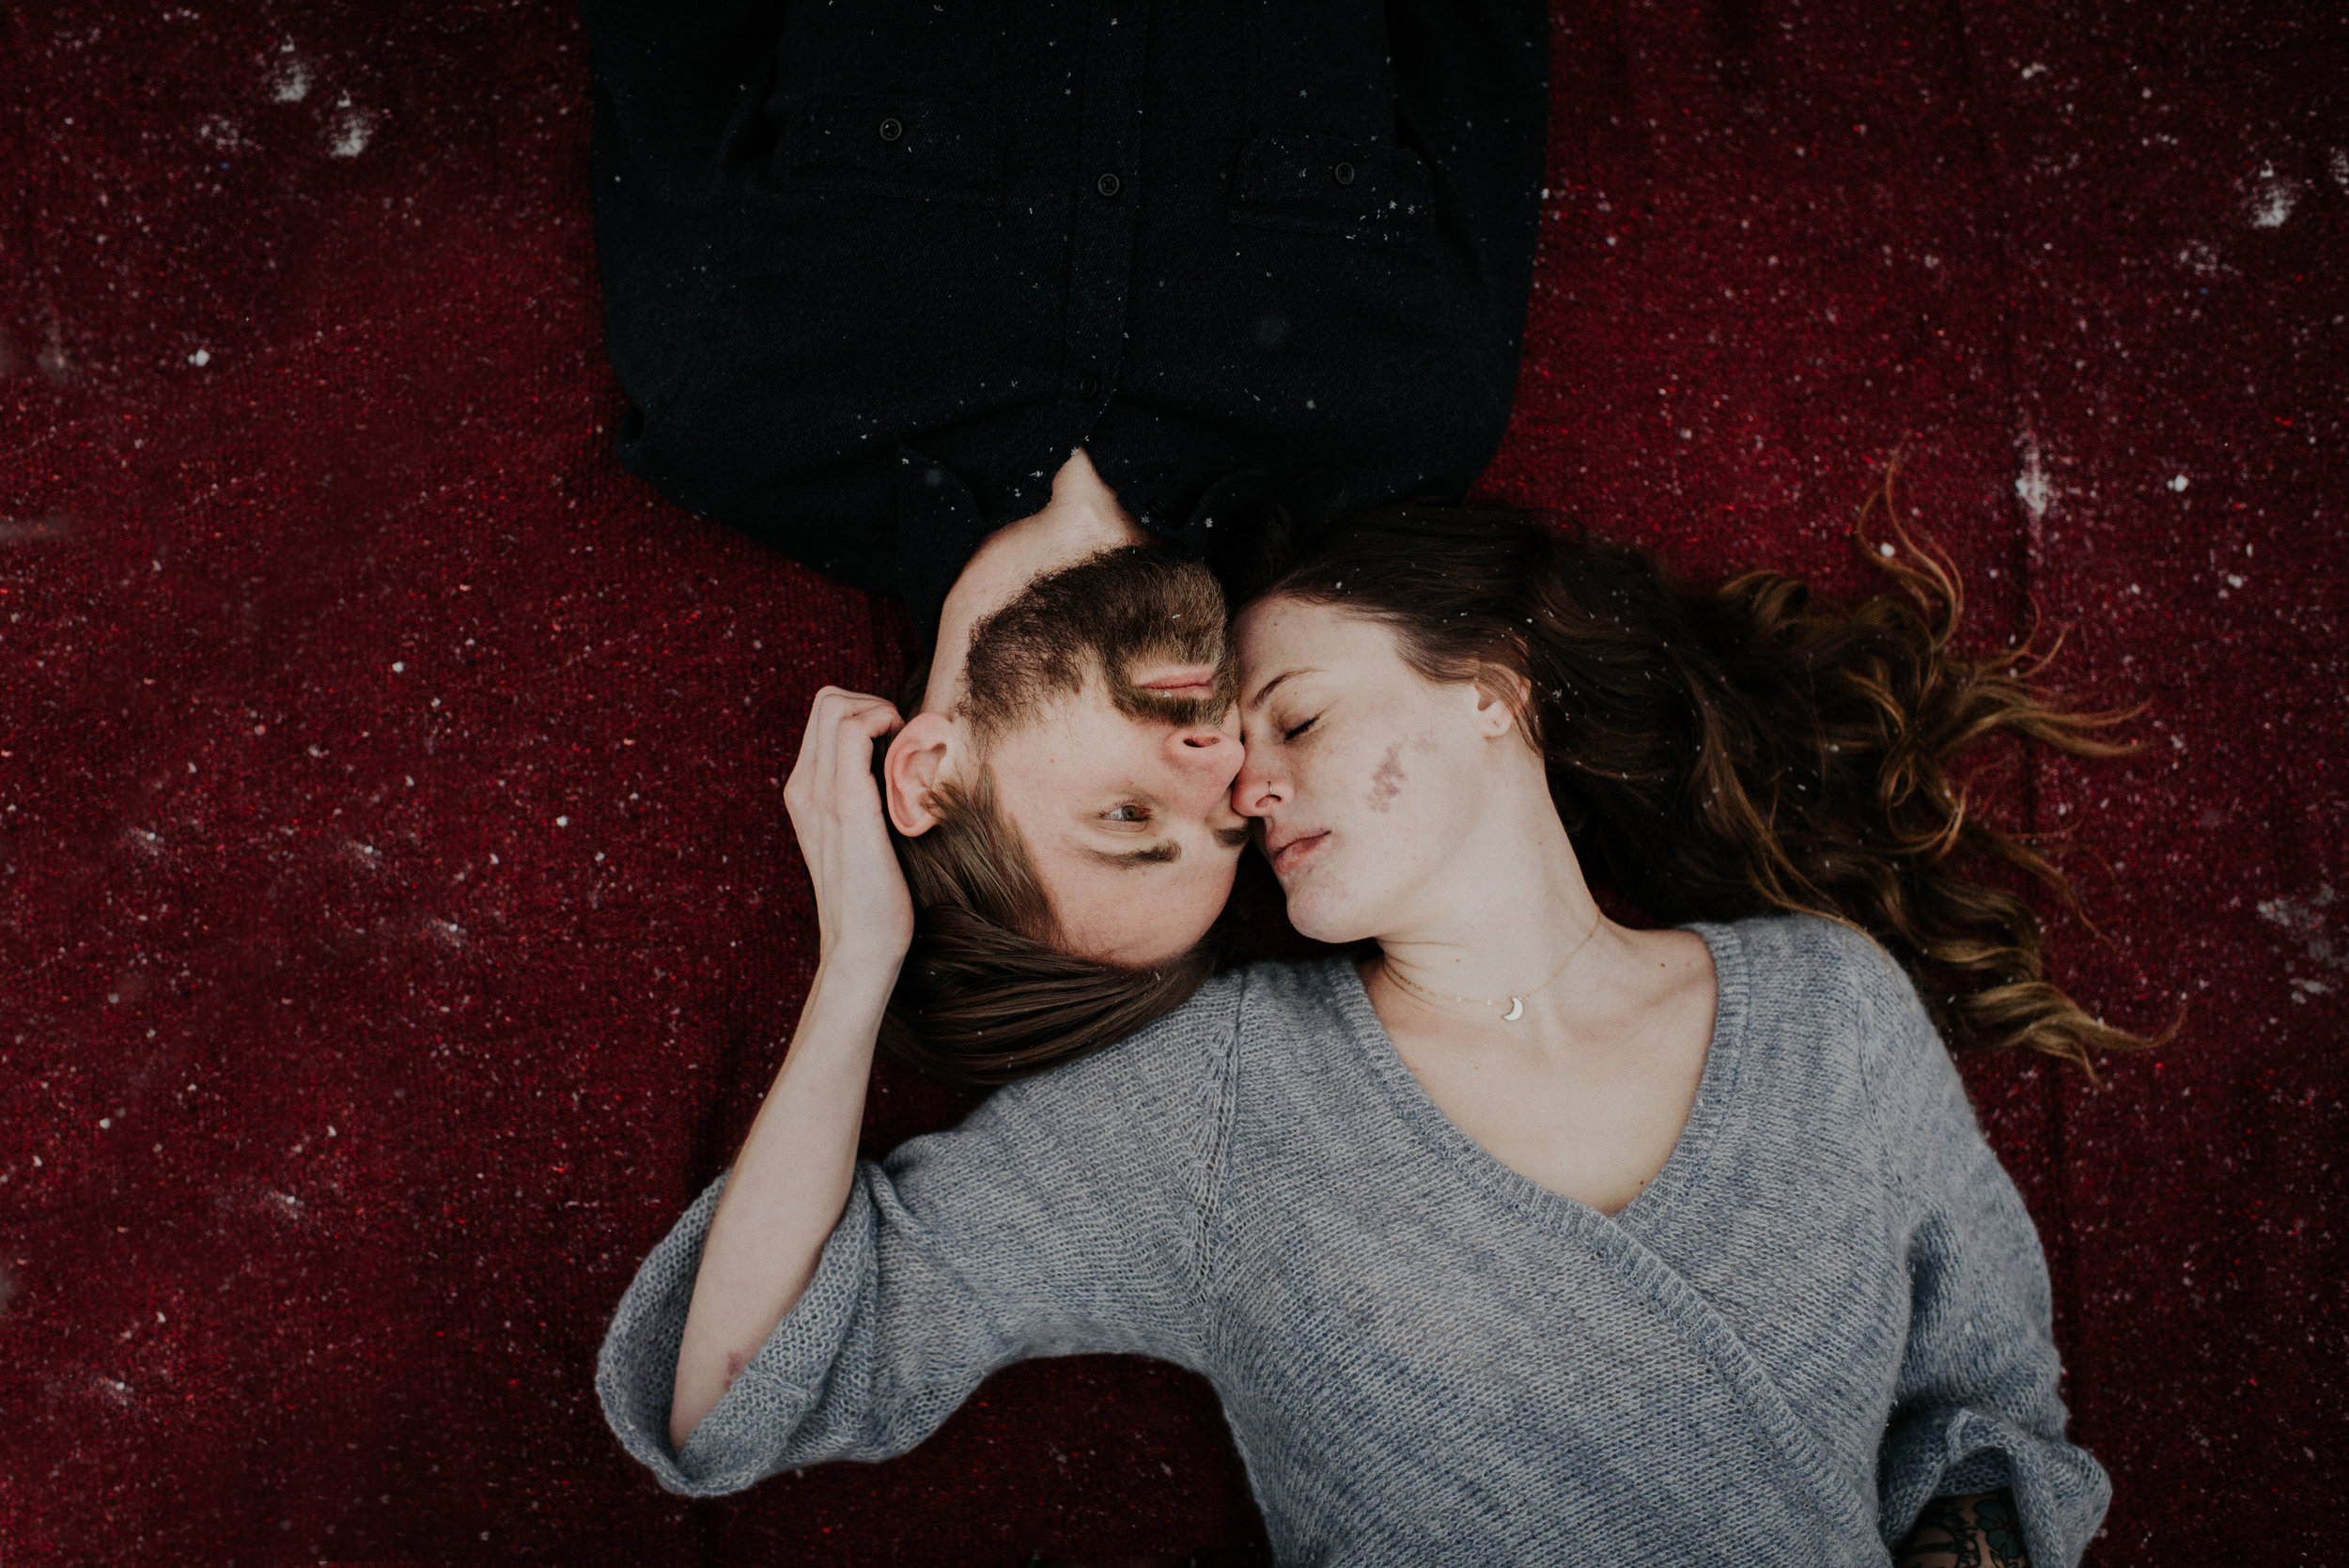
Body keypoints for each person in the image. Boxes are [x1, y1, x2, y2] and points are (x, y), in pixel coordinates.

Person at [597, 491, 2148, 1565]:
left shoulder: (1826, 1009)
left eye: (1303, 717)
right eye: (1224, 756)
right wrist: (858, 953)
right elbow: (733, 1383)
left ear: (1493, 690)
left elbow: (1984, 1421)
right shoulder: (1222, 1095)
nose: (1247, 779)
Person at [582, 0, 1549, 996]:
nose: (1217, 755)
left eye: (1127, 818)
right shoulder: (1405, 414)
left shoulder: (733, 398)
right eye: (1230, 820)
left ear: (930, 773)